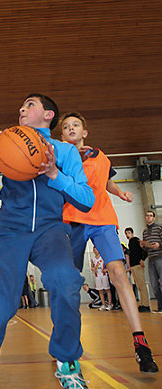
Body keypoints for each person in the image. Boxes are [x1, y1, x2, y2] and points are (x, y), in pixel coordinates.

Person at [0, 93, 96, 389]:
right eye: (20, 106)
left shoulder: (64, 152)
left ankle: (68, 366)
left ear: (48, 115)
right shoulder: (6, 144)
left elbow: (87, 199)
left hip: (50, 230)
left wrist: (53, 174)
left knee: (66, 281)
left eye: (29, 105)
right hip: (10, 231)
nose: (22, 109)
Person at [61, 112, 158, 374]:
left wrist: (121, 192)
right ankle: (67, 343)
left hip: (102, 219)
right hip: (72, 221)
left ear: (85, 132)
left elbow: (105, 181)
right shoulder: (59, 157)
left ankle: (140, 342)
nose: (71, 128)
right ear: (62, 135)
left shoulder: (101, 157)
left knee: (118, 272)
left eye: (76, 125)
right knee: (68, 281)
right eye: (66, 126)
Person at [141, 211, 162, 314]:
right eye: (147, 216)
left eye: (150, 216)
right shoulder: (144, 232)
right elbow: (145, 249)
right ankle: (160, 306)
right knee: (154, 284)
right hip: (151, 259)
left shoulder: (159, 228)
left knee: (161, 282)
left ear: (153, 218)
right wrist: (144, 246)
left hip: (160, 257)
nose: (148, 217)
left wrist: (159, 245)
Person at [90, 247, 112, 311]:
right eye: (94, 250)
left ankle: (110, 304)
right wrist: (93, 269)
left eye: (96, 249)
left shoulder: (103, 257)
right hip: (97, 276)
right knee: (100, 291)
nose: (95, 251)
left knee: (107, 289)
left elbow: (109, 265)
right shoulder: (93, 259)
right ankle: (103, 304)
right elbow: (92, 267)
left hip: (104, 275)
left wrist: (106, 270)